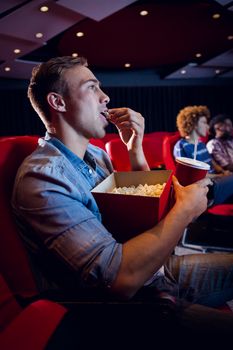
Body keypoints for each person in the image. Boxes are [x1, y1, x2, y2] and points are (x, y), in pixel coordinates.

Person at [11, 57, 233, 339]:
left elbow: (141, 218)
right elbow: (119, 280)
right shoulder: (43, 178)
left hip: (155, 273)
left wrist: (135, 150)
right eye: (92, 88)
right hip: (124, 308)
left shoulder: (97, 155)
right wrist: (186, 210)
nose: (106, 97)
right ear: (58, 102)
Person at [173, 105, 233, 205]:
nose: (208, 127)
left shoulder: (201, 144)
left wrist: (223, 171)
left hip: (216, 181)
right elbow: (192, 177)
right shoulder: (182, 146)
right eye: (204, 122)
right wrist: (220, 175)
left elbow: (212, 163)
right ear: (194, 124)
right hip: (207, 188)